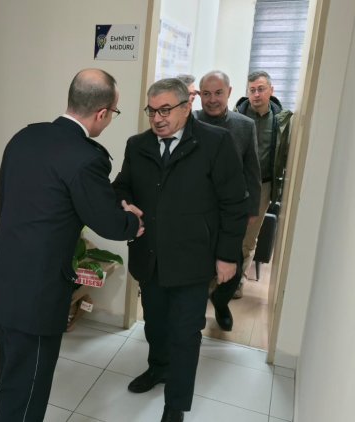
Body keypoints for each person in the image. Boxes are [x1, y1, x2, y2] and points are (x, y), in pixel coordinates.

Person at [0, 68, 144, 422]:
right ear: (102, 113)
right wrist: (133, 221)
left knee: (13, 380)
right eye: (114, 113)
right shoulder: (86, 158)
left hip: (2, 277)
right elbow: (108, 223)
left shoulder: (25, 137)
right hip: (36, 291)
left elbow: (7, 200)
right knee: (27, 394)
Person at [113, 78, 248, 422]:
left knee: (185, 335)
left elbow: (234, 203)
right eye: (151, 111)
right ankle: (158, 367)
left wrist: (227, 255)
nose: (157, 118)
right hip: (151, 256)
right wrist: (124, 203)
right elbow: (122, 186)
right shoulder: (138, 145)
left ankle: (176, 403)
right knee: (155, 325)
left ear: (187, 107)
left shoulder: (215, 142)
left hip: (193, 259)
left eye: (165, 110)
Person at [195, 70, 261, 311]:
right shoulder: (189, 120)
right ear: (199, 95)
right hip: (197, 206)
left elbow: (252, 170)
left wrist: (252, 209)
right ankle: (196, 306)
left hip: (232, 208)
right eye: (206, 94)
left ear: (230, 92)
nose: (212, 99)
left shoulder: (245, 125)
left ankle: (220, 302)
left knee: (232, 264)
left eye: (218, 93)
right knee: (199, 261)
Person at [234, 70, 294, 282]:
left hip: (263, 186)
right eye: (252, 90)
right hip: (235, 185)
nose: (256, 94)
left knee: (249, 238)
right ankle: (218, 279)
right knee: (226, 231)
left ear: (271, 90)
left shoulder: (282, 122)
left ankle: (238, 280)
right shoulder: (236, 116)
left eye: (261, 89)